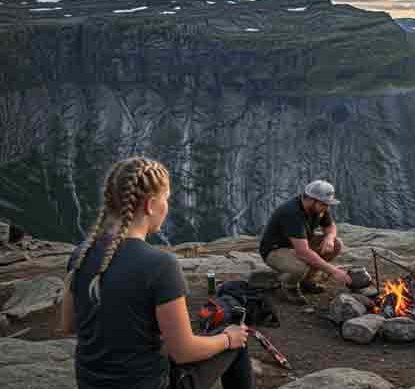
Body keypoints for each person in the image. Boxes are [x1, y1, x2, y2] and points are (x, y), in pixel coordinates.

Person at [60, 157, 253, 389]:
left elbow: (69, 325)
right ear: (151, 205)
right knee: (236, 342)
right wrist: (228, 338)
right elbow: (183, 351)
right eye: (166, 198)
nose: (167, 206)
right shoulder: (160, 265)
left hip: (90, 383)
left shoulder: (81, 254)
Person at [259, 180, 351, 305]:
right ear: (311, 200)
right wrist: (334, 271)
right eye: (324, 204)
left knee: (336, 244)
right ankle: (289, 286)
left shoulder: (318, 208)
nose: (327, 208)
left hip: (300, 243)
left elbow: (330, 226)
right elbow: (303, 252)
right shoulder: (292, 213)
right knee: (300, 266)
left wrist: (329, 238)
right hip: (275, 250)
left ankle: (306, 280)